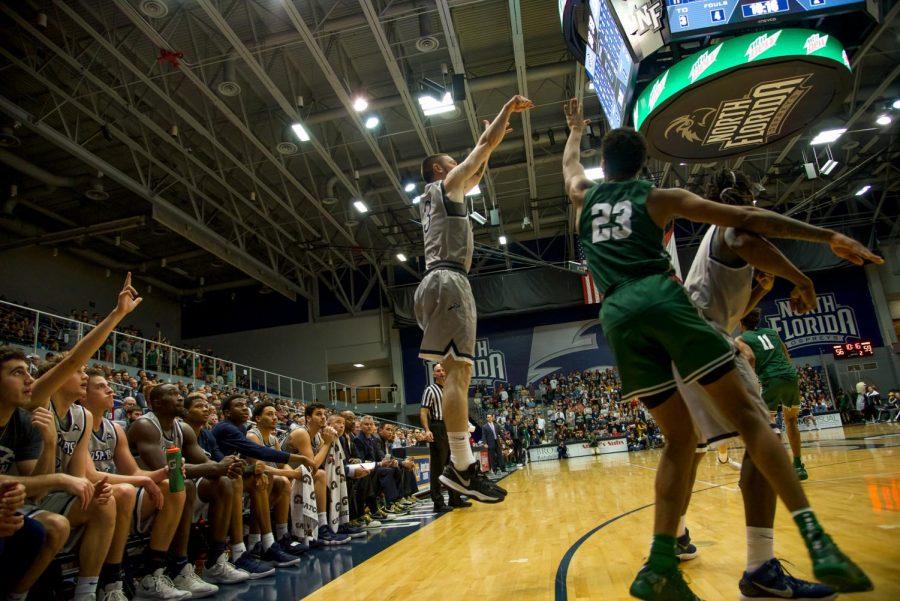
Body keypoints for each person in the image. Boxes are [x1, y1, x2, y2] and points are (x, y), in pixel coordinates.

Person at [562, 99, 877, 600]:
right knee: (754, 423)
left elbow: (570, 169)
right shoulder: (658, 197)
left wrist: (575, 132)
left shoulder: (584, 196)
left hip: (616, 316)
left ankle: (662, 561)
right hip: (662, 301)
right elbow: (747, 218)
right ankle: (817, 541)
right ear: (642, 164)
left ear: (606, 164)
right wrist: (827, 234)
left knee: (679, 441)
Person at [668, 169, 837, 599]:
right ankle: (761, 568)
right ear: (731, 196)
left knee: (690, 452)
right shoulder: (730, 228)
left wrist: (760, 292)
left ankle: (675, 536)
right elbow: (746, 239)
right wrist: (803, 278)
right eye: (747, 197)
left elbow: (726, 308)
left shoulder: (712, 242)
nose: (753, 205)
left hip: (690, 344)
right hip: (706, 343)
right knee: (765, 448)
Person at [415, 95, 534, 503]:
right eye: (452, 162)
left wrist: (488, 145)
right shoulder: (443, 185)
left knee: (457, 373)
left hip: (435, 282)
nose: (457, 167)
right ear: (438, 168)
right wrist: (502, 116)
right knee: (459, 376)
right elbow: (480, 151)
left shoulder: (437, 198)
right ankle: (462, 467)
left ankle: (461, 466)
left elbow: (479, 167)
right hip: (448, 281)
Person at [127, 384, 250, 593]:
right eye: (172, 394)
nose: (179, 398)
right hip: (139, 491)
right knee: (183, 485)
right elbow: (165, 470)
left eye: (179, 393)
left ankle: (216, 561)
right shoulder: (145, 425)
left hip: (169, 492)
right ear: (155, 403)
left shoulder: (181, 428)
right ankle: (178, 568)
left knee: (223, 483)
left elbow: (208, 467)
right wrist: (218, 466)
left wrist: (229, 467)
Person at [82, 368, 189, 600]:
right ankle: (109, 583)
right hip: (87, 493)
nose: (110, 389)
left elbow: (134, 471)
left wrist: (162, 473)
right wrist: (142, 479)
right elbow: (88, 475)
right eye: (100, 387)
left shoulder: (115, 429)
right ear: (82, 394)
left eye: (108, 385)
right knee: (124, 491)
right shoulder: (78, 423)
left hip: (114, 492)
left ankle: (152, 575)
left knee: (174, 487)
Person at [0, 347, 72, 600]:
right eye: (18, 373)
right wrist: (59, 478)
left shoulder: (24, 420)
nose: (29, 379)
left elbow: (38, 492)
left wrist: (50, 444)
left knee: (34, 531)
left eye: (29, 373)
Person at [181, 394, 274, 580]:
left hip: (206, 483)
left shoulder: (207, 433)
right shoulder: (210, 428)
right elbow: (216, 465)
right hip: (188, 486)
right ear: (185, 412)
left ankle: (264, 543)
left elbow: (217, 461)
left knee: (264, 479)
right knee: (232, 479)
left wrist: (236, 466)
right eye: (200, 406)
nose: (206, 409)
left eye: (207, 406)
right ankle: (235, 552)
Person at [739, 310, 808, 480]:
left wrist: (750, 381)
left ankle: (772, 468)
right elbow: (786, 355)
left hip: (770, 379)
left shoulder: (741, 339)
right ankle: (798, 465)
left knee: (764, 426)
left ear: (741, 323)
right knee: (791, 421)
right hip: (789, 376)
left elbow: (750, 358)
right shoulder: (772, 332)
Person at [285, 403, 352, 546]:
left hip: (300, 476)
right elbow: (313, 465)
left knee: (324, 475)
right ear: (308, 418)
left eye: (324, 414)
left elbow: (326, 462)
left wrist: (332, 439)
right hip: (285, 475)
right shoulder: (301, 433)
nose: (323, 417)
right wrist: (327, 444)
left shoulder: (317, 437)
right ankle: (321, 527)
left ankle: (325, 526)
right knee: (320, 474)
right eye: (318, 414)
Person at [420, 363, 468, 513]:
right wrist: (427, 429)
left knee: (454, 465)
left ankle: (455, 499)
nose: (441, 372)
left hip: (452, 427)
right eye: (438, 371)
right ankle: (438, 503)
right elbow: (423, 412)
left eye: (443, 370)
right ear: (434, 374)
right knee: (438, 467)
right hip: (438, 427)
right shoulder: (430, 390)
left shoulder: (451, 389)